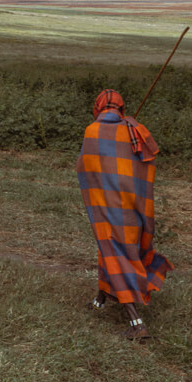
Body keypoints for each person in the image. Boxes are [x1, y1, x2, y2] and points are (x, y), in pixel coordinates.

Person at [77, 89, 173, 342]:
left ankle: (137, 323)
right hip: (132, 207)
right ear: (121, 107)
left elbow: (85, 165)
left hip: (107, 206)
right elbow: (145, 163)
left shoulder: (92, 131)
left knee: (115, 254)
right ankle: (100, 300)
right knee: (109, 250)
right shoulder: (134, 131)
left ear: (97, 107)